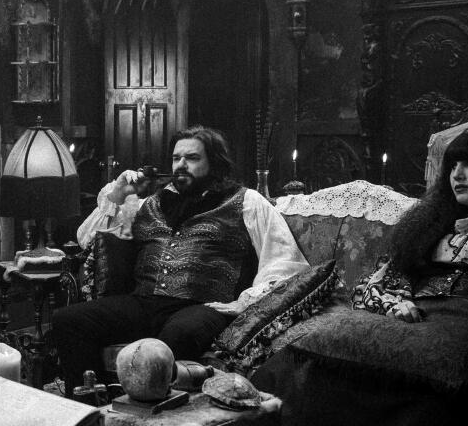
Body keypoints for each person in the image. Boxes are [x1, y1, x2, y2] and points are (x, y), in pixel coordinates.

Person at [52, 125, 308, 394]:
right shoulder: (149, 203)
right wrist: (118, 195)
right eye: (176, 158)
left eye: (192, 158)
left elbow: (283, 260)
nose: (181, 165)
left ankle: (157, 421)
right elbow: (86, 238)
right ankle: (91, 409)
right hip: (145, 302)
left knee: (177, 336)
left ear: (214, 162)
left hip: (202, 306)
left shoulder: (246, 201)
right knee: (69, 320)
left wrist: (243, 302)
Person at [353, 124, 468, 319]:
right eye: (453, 165)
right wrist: (398, 302)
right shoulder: (434, 223)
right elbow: (390, 276)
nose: (457, 175)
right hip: (415, 323)